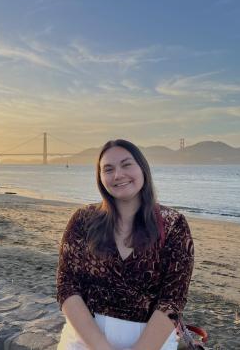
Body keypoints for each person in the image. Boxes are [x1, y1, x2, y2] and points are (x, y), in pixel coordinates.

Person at [57, 139, 194, 350]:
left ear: (143, 168)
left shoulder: (173, 224)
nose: (118, 175)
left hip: (151, 342)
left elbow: (172, 299)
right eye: (108, 169)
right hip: (84, 339)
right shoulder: (83, 220)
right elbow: (67, 286)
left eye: (126, 164)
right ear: (100, 177)